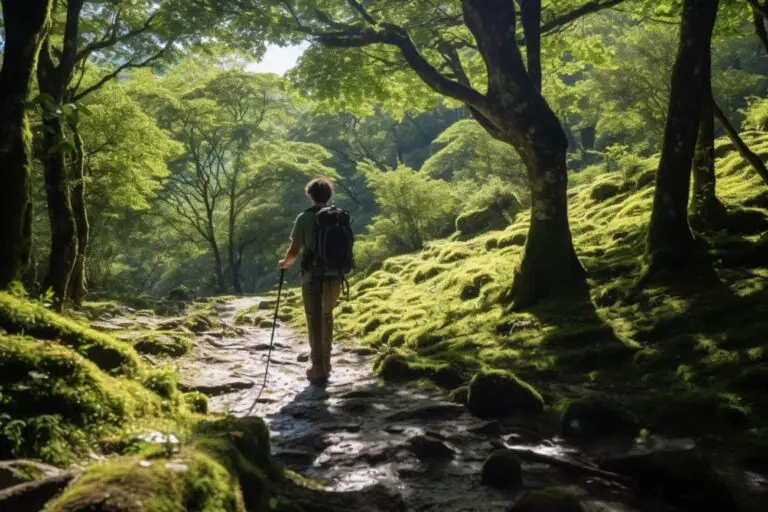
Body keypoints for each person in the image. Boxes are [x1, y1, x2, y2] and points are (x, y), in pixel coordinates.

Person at [279, 178, 342, 383]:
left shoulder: (304, 218)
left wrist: (285, 264)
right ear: (329, 195)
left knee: (314, 319)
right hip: (335, 275)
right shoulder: (339, 216)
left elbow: (295, 251)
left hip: (312, 277)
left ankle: (318, 367)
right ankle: (327, 362)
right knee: (327, 316)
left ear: (310, 195)